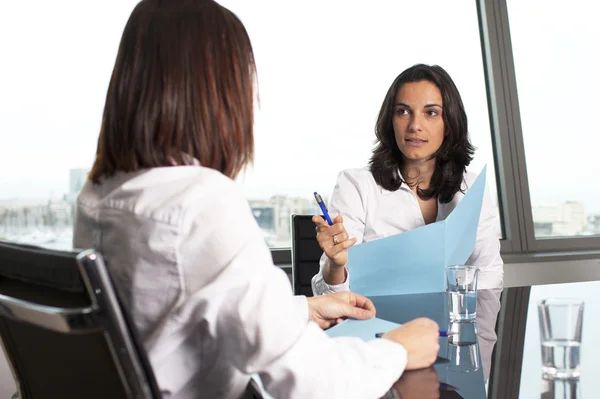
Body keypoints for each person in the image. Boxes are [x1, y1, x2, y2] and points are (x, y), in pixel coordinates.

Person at [73, 2, 440, 398]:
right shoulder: (200, 203)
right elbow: (311, 383)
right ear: (217, 93)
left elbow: (168, 321)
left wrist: (301, 311)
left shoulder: (98, 197)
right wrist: (397, 350)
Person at [311, 64, 504, 297]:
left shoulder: (471, 188)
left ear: (450, 124)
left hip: (451, 328)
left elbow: (489, 272)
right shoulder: (356, 186)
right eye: (403, 111)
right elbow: (329, 298)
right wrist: (335, 265)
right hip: (377, 328)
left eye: (431, 113)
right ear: (390, 122)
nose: (414, 126)